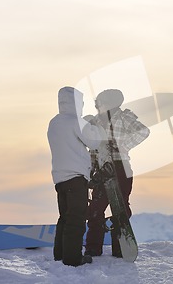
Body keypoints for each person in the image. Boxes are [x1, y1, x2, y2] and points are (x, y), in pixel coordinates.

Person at [85, 89, 150, 257]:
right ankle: (93, 248)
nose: (97, 105)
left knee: (120, 207)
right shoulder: (95, 122)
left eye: (100, 102)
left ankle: (120, 247)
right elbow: (93, 149)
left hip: (121, 166)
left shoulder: (124, 117)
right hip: (101, 168)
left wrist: (122, 146)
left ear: (110, 102)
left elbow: (143, 131)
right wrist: (91, 171)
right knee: (95, 208)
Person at [47, 86, 106, 266]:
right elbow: (95, 141)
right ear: (76, 103)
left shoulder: (54, 122)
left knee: (64, 217)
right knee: (76, 219)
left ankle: (60, 254)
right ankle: (73, 259)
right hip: (76, 177)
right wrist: (95, 127)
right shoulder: (76, 121)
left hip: (59, 178)